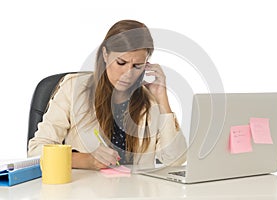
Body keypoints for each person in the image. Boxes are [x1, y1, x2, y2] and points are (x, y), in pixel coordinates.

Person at [28, 19, 187, 170]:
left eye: (137, 66)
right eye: (121, 63)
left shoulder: (150, 100)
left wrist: (162, 99)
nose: (128, 73)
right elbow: (36, 150)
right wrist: (86, 160)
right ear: (105, 54)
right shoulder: (73, 88)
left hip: (136, 193)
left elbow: (175, 160)